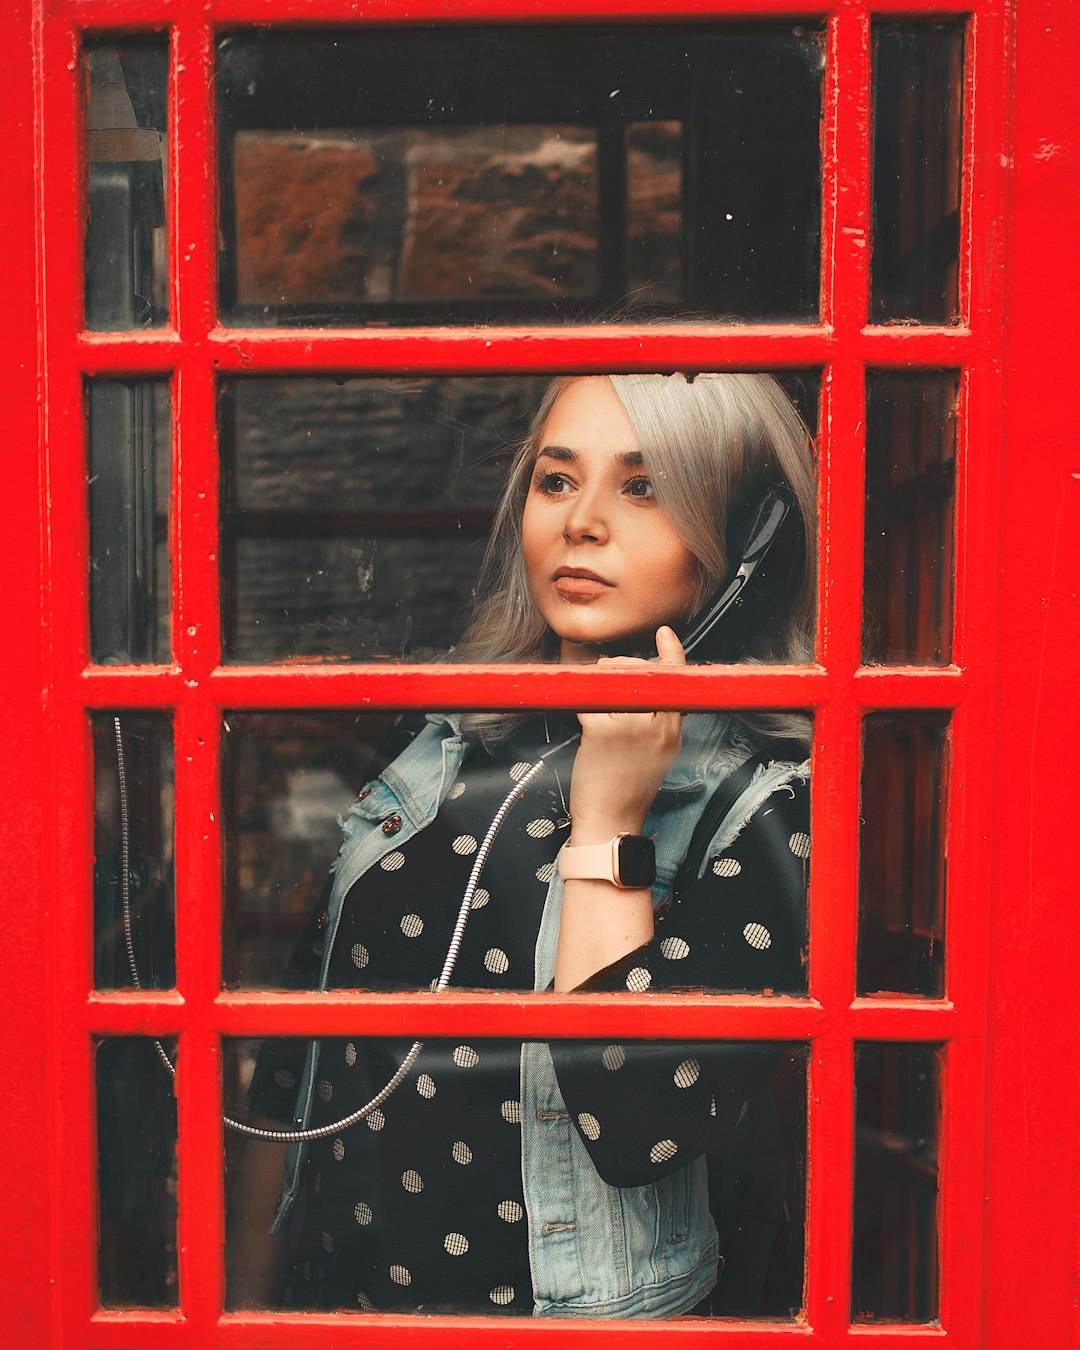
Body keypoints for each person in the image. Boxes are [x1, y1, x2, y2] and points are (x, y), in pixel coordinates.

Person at [226, 372, 815, 1319]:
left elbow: (633, 1123)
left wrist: (612, 822)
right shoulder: (444, 739)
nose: (581, 523)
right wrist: (238, 1317)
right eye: (555, 480)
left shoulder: (766, 801)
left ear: (747, 538)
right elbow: (300, 1060)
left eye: (644, 484)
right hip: (335, 1308)